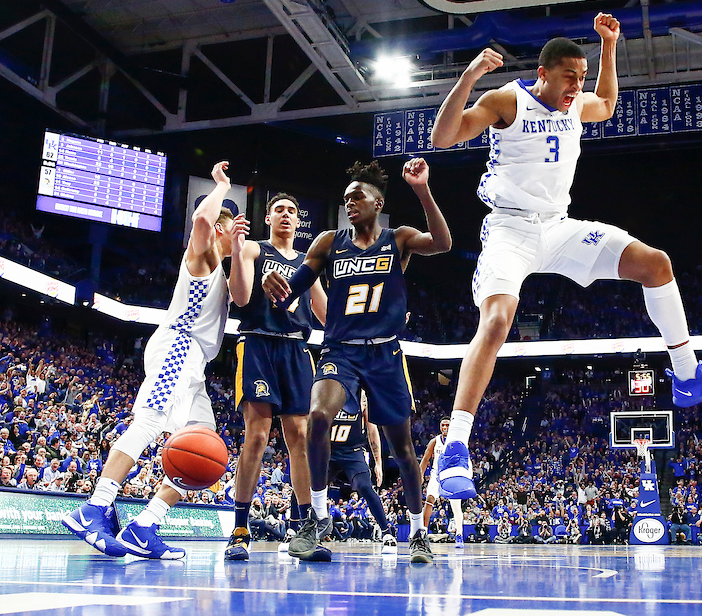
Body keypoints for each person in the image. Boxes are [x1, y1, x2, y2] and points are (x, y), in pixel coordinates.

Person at [428, 18, 702, 499]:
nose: (576, 86)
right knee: (497, 321)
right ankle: (457, 447)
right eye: (568, 77)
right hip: (510, 228)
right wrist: (469, 77)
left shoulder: (577, 102)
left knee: (655, 262)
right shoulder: (506, 101)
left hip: (558, 227)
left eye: (580, 77)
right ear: (543, 72)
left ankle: (688, 375)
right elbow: (443, 137)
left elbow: (606, 105)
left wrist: (609, 45)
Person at [264, 158, 450, 563]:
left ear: (378, 202)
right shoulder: (329, 243)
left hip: (385, 353)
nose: (349, 203)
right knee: (318, 416)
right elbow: (290, 293)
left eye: (357, 197)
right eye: (346, 198)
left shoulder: (398, 239)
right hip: (341, 351)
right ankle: (316, 518)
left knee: (402, 449)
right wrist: (274, 286)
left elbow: (443, 243)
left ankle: (418, 533)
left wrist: (422, 190)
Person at [62, 161, 247, 560]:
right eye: (231, 226)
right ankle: (94, 507)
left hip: (195, 366)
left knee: (206, 449)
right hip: (177, 349)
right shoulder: (199, 257)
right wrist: (222, 188)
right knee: (148, 423)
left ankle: (146, 524)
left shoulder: (226, 271)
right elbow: (200, 218)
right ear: (220, 229)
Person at [224, 193, 327, 561]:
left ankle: (303, 532)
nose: (286, 215)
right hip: (258, 343)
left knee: (300, 436)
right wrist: (236, 250)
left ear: (299, 222)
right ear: (268, 217)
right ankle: (239, 530)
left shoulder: (307, 264)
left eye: (292, 211)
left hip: (297, 349)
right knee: (257, 436)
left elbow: (328, 317)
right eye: (279, 210)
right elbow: (239, 297)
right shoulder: (254, 249)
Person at [283, 389, 397, 555]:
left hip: (353, 451)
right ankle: (292, 531)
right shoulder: (327, 392)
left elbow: (372, 432)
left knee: (365, 486)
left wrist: (378, 462)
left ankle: (387, 534)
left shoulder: (360, 396)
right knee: (303, 484)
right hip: (327, 450)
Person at [419, 418, 464, 545]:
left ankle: (459, 535)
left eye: (447, 425)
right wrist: (420, 474)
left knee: (456, 506)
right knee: (429, 499)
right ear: (440, 427)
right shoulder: (435, 441)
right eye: (443, 425)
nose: (445, 427)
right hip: (437, 474)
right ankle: (424, 531)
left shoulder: (457, 442)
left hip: (452, 475)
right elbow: (426, 458)